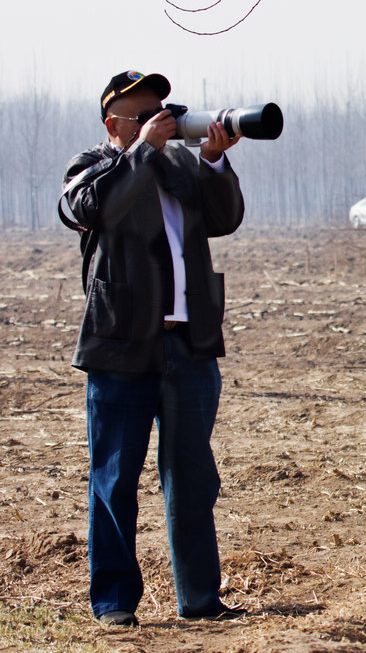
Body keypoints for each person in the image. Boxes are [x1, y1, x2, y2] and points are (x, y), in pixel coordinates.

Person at [59, 71, 246, 626]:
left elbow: (225, 218)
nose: (159, 122)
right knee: (114, 477)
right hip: (121, 350)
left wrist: (213, 159)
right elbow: (97, 208)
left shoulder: (182, 167)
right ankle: (114, 602)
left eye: (162, 112)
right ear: (112, 123)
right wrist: (141, 151)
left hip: (189, 345)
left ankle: (200, 599)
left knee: (192, 476)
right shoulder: (90, 167)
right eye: (142, 116)